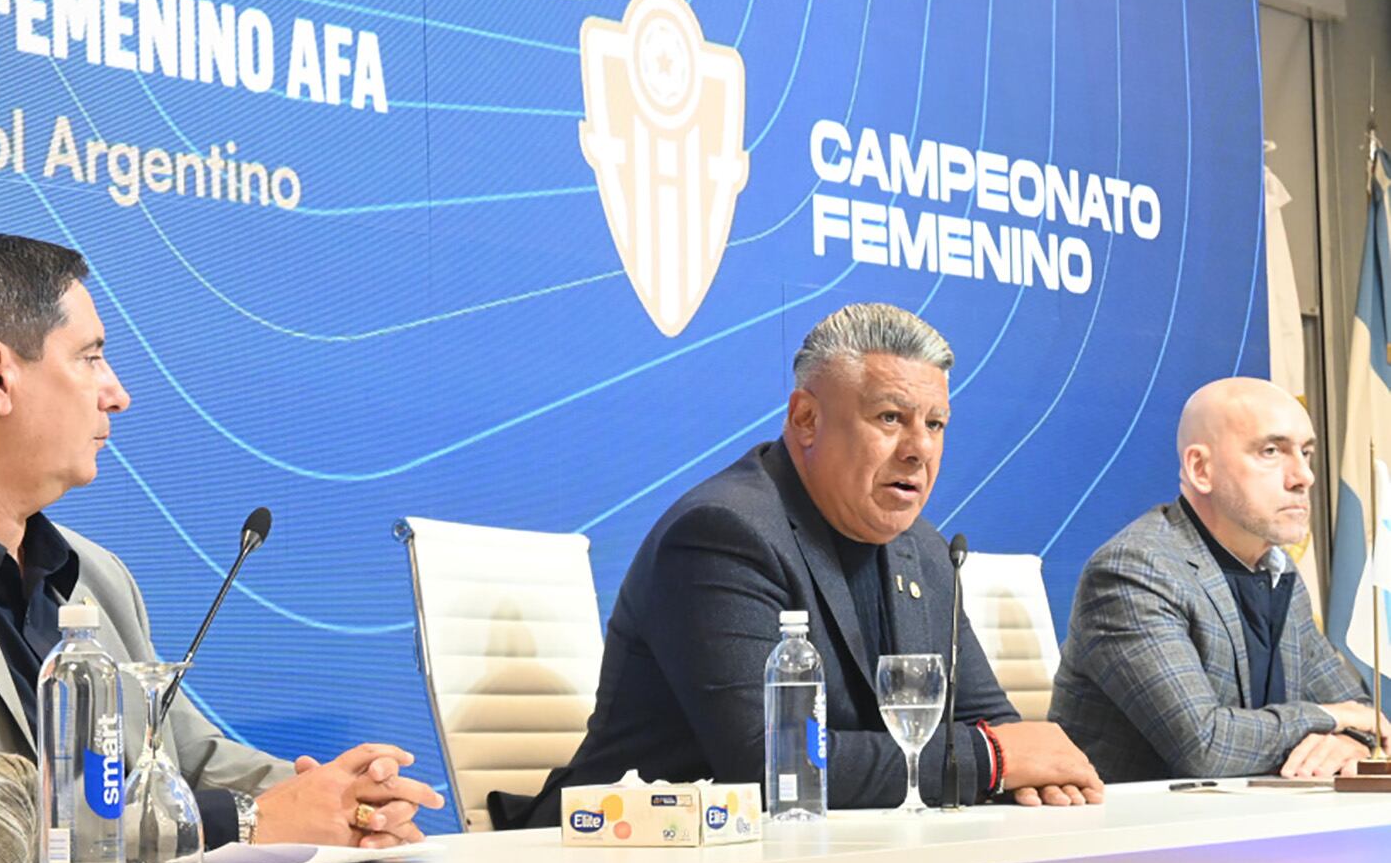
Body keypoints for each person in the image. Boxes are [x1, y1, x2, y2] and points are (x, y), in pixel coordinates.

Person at [0, 234, 443, 849]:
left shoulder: (97, 575)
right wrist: (249, 821)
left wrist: (339, 796)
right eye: (92, 357)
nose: (118, 392)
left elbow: (187, 759)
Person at [509, 303, 1102, 827]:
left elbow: (995, 726)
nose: (919, 448)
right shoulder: (723, 534)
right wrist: (994, 762)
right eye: (891, 418)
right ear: (806, 419)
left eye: (935, 424)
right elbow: (772, 765)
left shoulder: (925, 551)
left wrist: (1021, 764)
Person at [1049, 377, 1379, 782]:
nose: (1303, 477)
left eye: (1306, 452)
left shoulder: (1277, 571)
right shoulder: (1134, 571)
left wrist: (1349, 739)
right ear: (1201, 469)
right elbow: (1205, 747)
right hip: (1137, 836)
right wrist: (1327, 718)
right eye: (1272, 451)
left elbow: (1361, 711)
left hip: (1245, 828)